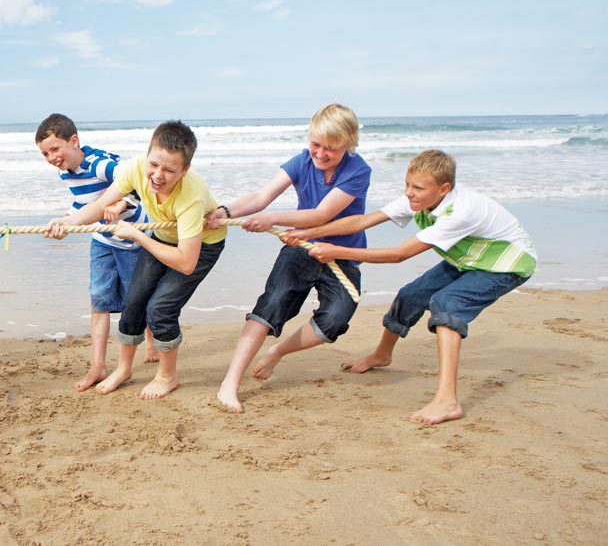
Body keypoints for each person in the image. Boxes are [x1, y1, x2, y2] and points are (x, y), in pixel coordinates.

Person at [285, 149, 536, 425]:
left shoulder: (459, 213)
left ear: (444, 189)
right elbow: (362, 221)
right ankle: (382, 355)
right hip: (470, 258)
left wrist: (336, 251)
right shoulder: (419, 199)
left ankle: (448, 401)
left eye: (417, 187)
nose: (409, 193)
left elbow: (399, 254)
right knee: (410, 295)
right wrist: (307, 233)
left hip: (506, 263)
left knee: (448, 304)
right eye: (407, 184)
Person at [45, 121, 226, 399]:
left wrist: (137, 236)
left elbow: (186, 263)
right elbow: (100, 204)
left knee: (161, 308)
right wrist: (67, 222)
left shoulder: (192, 196)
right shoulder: (135, 168)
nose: (157, 175)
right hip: (165, 236)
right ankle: (124, 369)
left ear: (185, 169)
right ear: (147, 155)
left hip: (201, 245)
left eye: (169, 170)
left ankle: (168, 376)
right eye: (153, 164)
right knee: (135, 299)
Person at [208, 104, 370, 413]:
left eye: (331, 149)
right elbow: (260, 196)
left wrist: (271, 219)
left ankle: (278, 351)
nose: (320, 154)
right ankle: (230, 383)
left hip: (341, 255)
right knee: (271, 304)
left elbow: (322, 214)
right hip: (300, 247)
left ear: (348, 144)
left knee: (335, 321)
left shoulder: (359, 171)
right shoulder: (301, 161)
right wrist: (225, 211)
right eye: (315, 144)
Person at [35, 113, 159, 391]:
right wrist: (66, 219)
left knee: (138, 299)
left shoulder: (100, 164)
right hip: (102, 240)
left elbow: (139, 182)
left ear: (74, 140)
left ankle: (150, 340)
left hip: (132, 241)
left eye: (55, 149)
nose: (51, 157)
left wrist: (120, 203)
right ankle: (98, 365)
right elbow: (83, 203)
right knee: (99, 298)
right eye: (45, 153)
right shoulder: (65, 172)